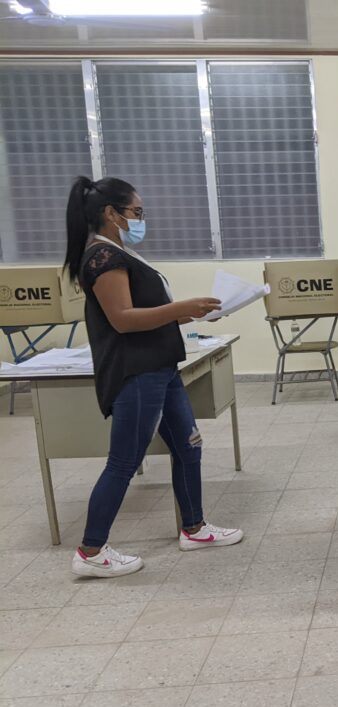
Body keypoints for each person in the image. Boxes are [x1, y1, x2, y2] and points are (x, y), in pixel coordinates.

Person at [65, 176, 244, 578]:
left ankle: (194, 527)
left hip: (161, 367)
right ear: (110, 214)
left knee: (188, 446)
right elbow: (124, 321)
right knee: (124, 461)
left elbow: (148, 313)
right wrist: (182, 305)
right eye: (136, 213)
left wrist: (195, 313)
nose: (141, 220)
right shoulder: (102, 257)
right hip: (137, 373)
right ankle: (91, 550)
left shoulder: (119, 252)